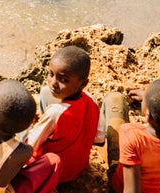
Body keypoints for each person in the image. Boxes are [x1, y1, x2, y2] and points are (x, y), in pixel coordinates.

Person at [25, 46, 104, 184]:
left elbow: (30, 146)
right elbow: (99, 139)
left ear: (83, 83)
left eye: (63, 80)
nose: (53, 83)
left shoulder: (55, 113)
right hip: (77, 169)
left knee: (22, 128)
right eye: (51, 74)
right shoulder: (91, 102)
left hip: (53, 173)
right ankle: (51, 132)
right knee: (45, 91)